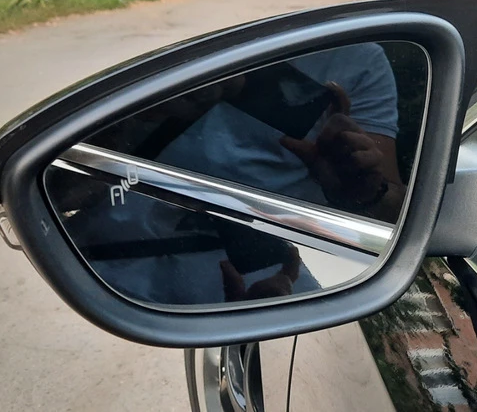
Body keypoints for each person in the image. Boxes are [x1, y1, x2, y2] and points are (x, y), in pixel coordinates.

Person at [53, 43, 406, 305]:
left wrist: (358, 185)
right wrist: (139, 118)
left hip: (255, 286)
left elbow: (393, 217)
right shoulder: (164, 34)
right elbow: (59, 191)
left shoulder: (359, 59)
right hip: (101, 272)